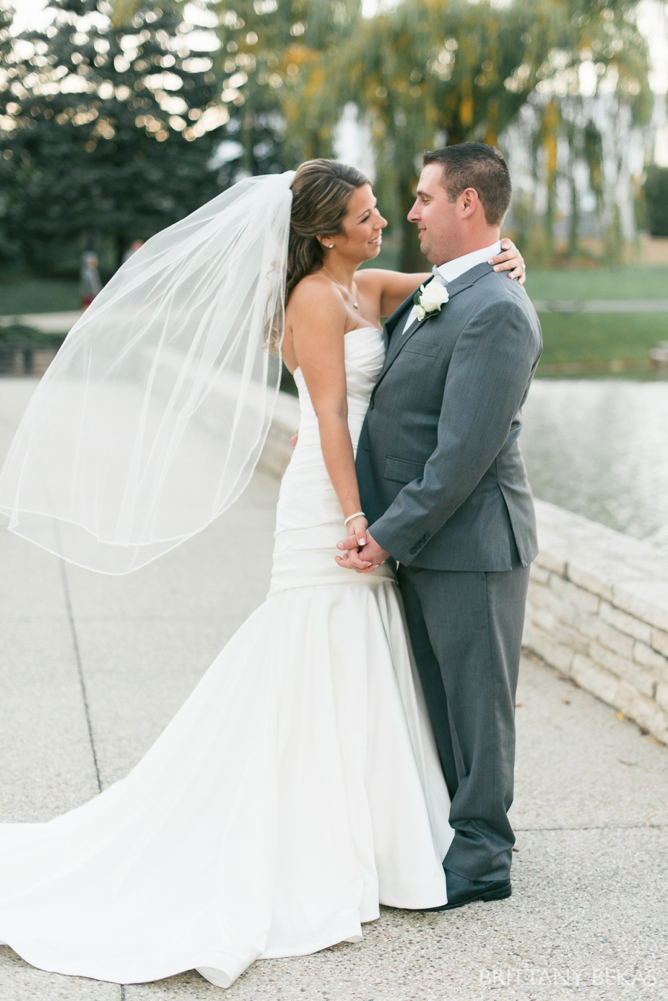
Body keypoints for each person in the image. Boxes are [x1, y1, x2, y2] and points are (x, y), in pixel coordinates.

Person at [0, 158, 526, 989]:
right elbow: (330, 413)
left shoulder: (369, 285)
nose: (384, 220)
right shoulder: (313, 299)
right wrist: (357, 519)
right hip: (331, 494)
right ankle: (312, 831)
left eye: (388, 207)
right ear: (324, 233)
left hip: (364, 493)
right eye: (365, 214)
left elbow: (452, 290)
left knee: (362, 645)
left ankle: (374, 828)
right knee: (317, 637)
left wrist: (506, 256)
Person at [337, 143, 542, 910]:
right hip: (427, 540)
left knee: (479, 704)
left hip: (473, 541)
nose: (411, 212)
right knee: (441, 700)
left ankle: (484, 856)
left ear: (468, 203)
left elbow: (461, 455)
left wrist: (387, 532)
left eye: (424, 198)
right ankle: (453, 830)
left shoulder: (498, 310)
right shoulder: (446, 288)